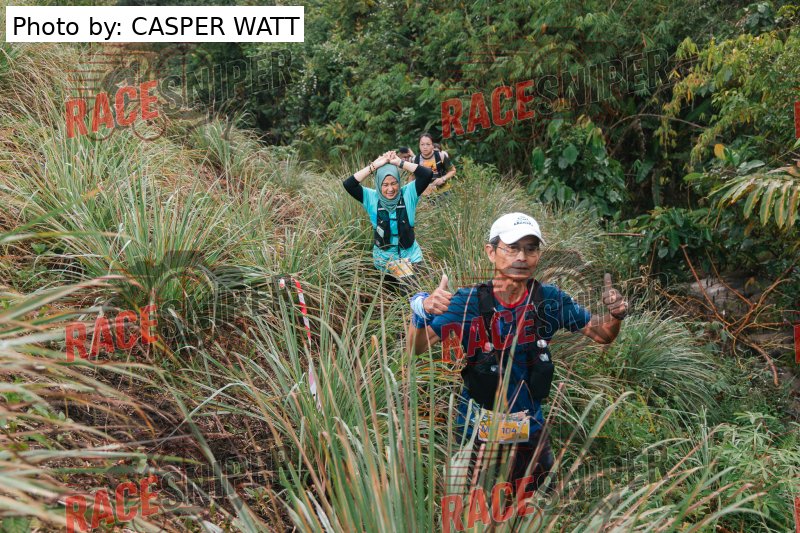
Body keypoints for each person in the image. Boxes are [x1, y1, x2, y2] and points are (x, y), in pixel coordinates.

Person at [407, 212, 628, 497]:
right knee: (469, 506)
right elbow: (417, 347)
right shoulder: (467, 301)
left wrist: (616, 315)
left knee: (536, 506)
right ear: (491, 252)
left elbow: (602, 334)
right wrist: (421, 311)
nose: (522, 257)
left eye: (530, 249)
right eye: (512, 248)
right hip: (476, 429)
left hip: (529, 429)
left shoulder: (549, 300)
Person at [342, 151, 434, 286]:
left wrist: (399, 162)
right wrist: (375, 166)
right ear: (379, 184)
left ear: (399, 182)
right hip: (383, 261)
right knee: (389, 297)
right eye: (385, 185)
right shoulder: (371, 198)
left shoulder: (409, 193)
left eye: (394, 183)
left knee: (412, 294)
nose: (390, 189)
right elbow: (348, 184)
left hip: (411, 258)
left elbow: (427, 174)